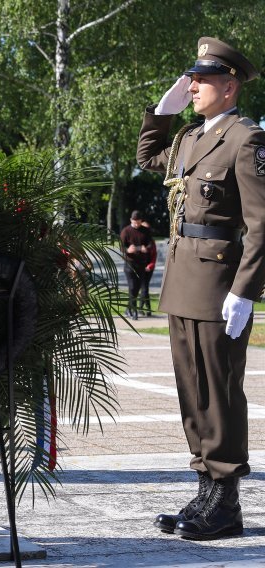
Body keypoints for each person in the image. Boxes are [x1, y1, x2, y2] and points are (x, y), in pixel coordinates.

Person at [137, 37, 265, 540]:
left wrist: (245, 290)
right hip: (183, 278)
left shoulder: (245, 139)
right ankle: (206, 486)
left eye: (201, 79)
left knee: (219, 392)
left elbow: (262, 224)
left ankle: (226, 500)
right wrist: (161, 110)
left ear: (228, 85)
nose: (192, 86)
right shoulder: (192, 138)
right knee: (192, 391)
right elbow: (150, 157)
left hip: (219, 283)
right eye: (191, 79)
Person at [119, 210, 154, 320]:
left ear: (141, 221)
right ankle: (134, 312)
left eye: (138, 222)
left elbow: (150, 244)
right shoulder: (126, 231)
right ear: (131, 220)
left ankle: (128, 309)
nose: (136, 224)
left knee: (137, 288)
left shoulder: (145, 231)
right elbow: (121, 247)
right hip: (130, 264)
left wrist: (146, 248)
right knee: (132, 287)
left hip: (141, 264)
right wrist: (127, 250)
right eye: (134, 222)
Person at [140, 219, 157, 316]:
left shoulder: (151, 241)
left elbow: (154, 255)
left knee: (144, 288)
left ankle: (142, 309)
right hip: (140, 267)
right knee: (144, 288)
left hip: (148, 267)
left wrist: (150, 266)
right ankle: (147, 310)